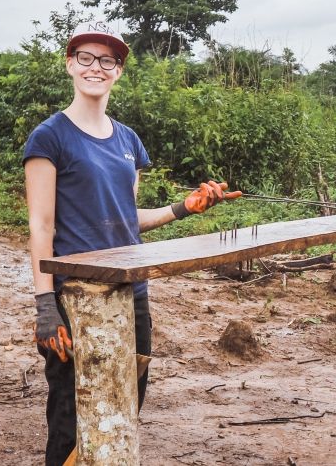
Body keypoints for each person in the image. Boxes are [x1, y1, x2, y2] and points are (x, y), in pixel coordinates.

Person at [22, 26, 240, 465]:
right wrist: (46, 305)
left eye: (107, 61)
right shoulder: (50, 137)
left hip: (131, 293)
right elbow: (41, 225)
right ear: (69, 64)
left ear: (118, 72)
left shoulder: (128, 141)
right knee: (72, 413)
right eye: (86, 57)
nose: (95, 68)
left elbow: (124, 217)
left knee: (124, 405)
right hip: (77, 299)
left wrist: (184, 207)